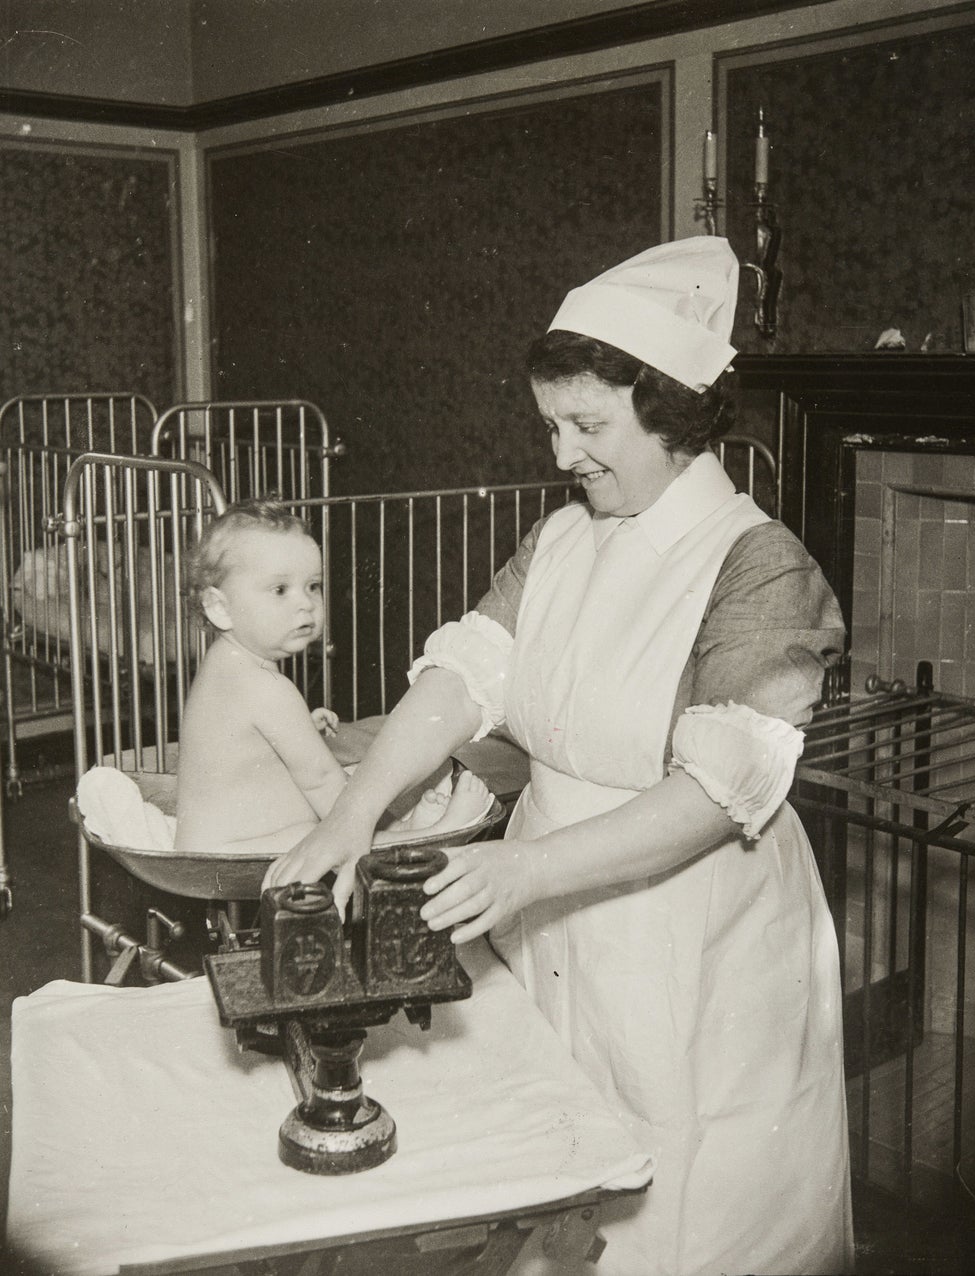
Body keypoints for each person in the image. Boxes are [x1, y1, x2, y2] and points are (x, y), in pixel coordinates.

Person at [264, 239, 854, 1275]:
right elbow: (463, 677)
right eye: (551, 424)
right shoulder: (564, 538)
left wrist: (525, 868)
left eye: (588, 425)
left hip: (691, 919)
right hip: (544, 900)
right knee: (556, 1176)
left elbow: (718, 795)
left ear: (671, 413)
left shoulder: (761, 566)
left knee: (686, 1194)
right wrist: (351, 812)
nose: (563, 453)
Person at [175, 500, 490, 857]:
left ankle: (400, 830)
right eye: (280, 589)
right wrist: (374, 820)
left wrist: (300, 727)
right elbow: (320, 779)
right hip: (233, 850)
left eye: (313, 586)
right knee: (327, 829)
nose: (306, 604)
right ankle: (411, 836)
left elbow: (239, 745)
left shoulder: (224, 662)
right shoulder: (266, 687)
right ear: (220, 607)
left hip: (209, 840)